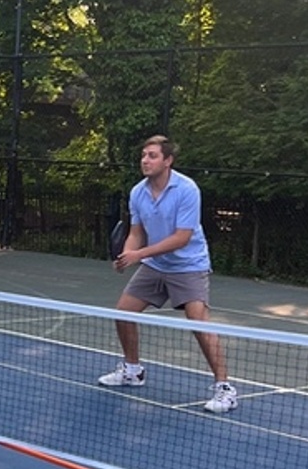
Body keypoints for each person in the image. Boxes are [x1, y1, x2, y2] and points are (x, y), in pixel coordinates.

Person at [97, 136, 238, 414]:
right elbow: (136, 232)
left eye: (151, 156)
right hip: (155, 265)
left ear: (167, 160)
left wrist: (140, 254)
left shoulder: (187, 190)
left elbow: (182, 238)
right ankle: (133, 371)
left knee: (198, 321)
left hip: (189, 265)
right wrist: (127, 254)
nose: (145, 160)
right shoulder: (138, 192)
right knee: (124, 312)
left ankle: (225, 389)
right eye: (143, 156)